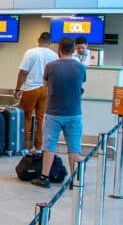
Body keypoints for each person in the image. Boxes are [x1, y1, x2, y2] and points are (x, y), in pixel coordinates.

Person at [34, 37, 86, 189]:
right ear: (74, 49)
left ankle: (44, 177)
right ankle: (75, 180)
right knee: (74, 147)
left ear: (59, 49)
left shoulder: (50, 66)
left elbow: (45, 85)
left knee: (49, 145)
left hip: (53, 112)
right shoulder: (80, 67)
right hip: (74, 113)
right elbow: (81, 85)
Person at [14, 32, 58, 154]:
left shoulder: (30, 52)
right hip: (46, 90)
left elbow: (23, 72)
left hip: (30, 89)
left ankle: (25, 146)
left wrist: (18, 89)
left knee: (27, 117)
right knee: (41, 119)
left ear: (38, 40)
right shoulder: (54, 55)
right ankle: (39, 147)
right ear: (49, 42)